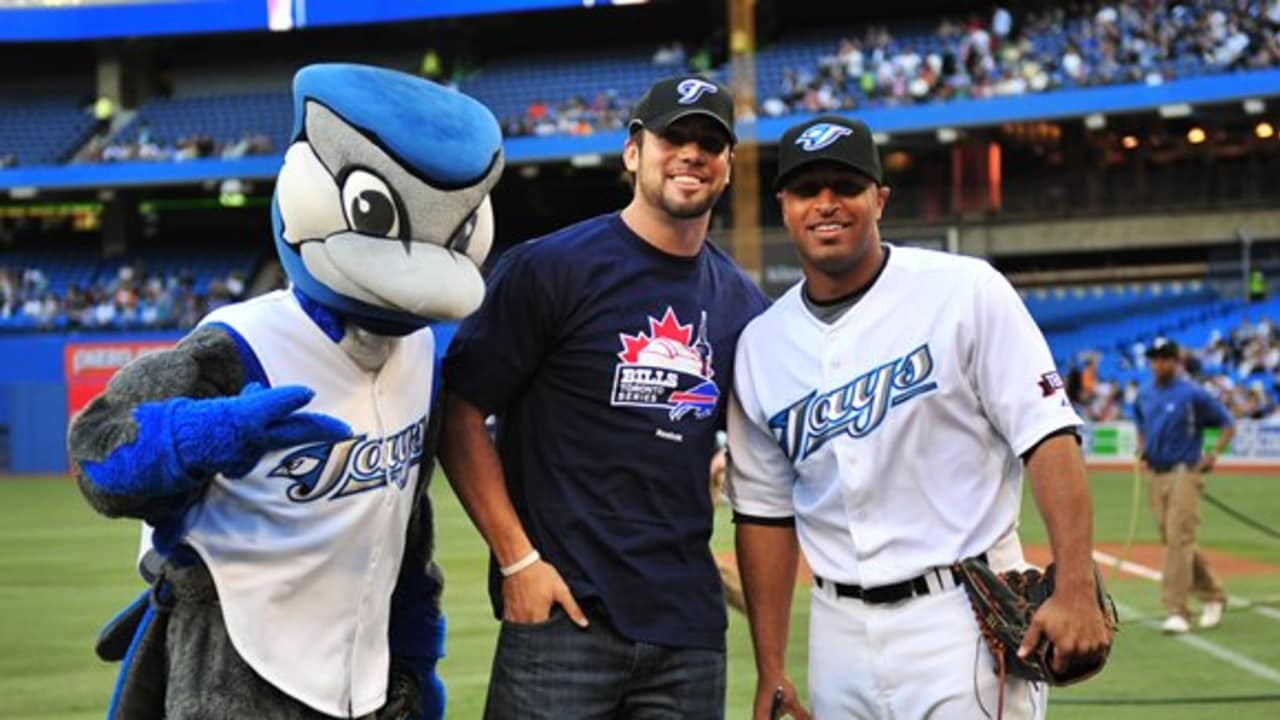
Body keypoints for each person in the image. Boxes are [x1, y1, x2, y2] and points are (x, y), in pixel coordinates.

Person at [726, 115, 1114, 720]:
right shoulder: (760, 345)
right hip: (836, 633)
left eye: (845, 186)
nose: (826, 204)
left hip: (962, 615)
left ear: (879, 199)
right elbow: (765, 515)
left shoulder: (964, 291)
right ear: (784, 206)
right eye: (807, 190)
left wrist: (1075, 587)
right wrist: (772, 665)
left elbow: (1048, 437)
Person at [439, 75, 770, 719]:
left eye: (711, 142)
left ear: (728, 166)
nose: (692, 153)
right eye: (675, 136)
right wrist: (517, 561)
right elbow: (460, 410)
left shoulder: (742, 305)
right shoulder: (551, 268)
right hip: (563, 619)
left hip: (688, 637)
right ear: (633, 151)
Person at [1134, 338, 1234, 634]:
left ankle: (1177, 610)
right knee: (1174, 537)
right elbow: (1140, 424)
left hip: (1184, 472)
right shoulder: (1144, 394)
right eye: (1155, 358)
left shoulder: (1192, 394)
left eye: (1165, 358)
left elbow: (1227, 423)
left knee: (1179, 538)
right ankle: (1214, 594)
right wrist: (1143, 447)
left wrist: (1213, 454)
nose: (1159, 363)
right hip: (1156, 473)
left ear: (1176, 361)